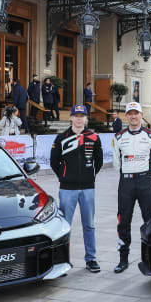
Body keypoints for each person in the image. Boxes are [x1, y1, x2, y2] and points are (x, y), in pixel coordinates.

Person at [50, 104, 103, 273]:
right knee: (65, 226)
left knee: (89, 224)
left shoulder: (94, 137)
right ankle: (63, 261)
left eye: (82, 116)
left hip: (88, 189)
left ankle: (91, 259)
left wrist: (90, 177)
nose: (79, 119)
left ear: (86, 118)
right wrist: (64, 177)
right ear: (71, 118)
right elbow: (54, 161)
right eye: (76, 116)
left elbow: (99, 161)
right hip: (67, 189)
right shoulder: (61, 138)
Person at [112, 102, 151, 273]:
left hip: (145, 182)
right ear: (126, 116)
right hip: (126, 183)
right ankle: (123, 259)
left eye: (136, 113)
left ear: (141, 115)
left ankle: (149, 259)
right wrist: (126, 177)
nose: (133, 116)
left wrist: (150, 179)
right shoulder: (118, 137)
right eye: (130, 113)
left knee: (149, 221)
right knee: (123, 221)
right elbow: (116, 163)